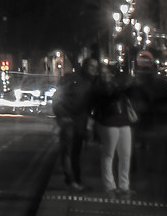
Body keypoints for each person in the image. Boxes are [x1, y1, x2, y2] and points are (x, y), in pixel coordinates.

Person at [90, 56, 142, 192]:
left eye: (107, 72)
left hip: (124, 122)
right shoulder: (98, 88)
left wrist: (129, 85)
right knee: (108, 155)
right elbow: (108, 97)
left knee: (125, 155)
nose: (105, 75)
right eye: (102, 73)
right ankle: (110, 185)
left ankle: (124, 185)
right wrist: (123, 88)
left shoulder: (115, 85)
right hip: (108, 123)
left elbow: (129, 95)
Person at [51, 58, 90, 188]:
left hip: (78, 122)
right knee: (69, 152)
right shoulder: (73, 80)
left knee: (74, 152)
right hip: (70, 121)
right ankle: (72, 180)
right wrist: (63, 116)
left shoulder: (86, 82)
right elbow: (57, 99)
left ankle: (75, 180)